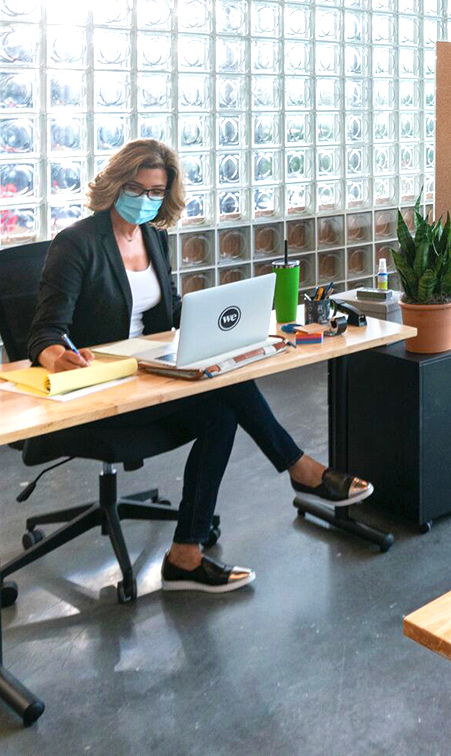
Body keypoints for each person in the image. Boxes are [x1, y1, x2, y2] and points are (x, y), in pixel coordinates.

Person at [28, 139, 372, 594]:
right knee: (227, 401)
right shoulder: (77, 244)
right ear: (115, 185)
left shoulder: (152, 236)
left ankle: (185, 553)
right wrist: (61, 359)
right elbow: (43, 335)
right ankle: (299, 468)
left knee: (223, 406)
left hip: (150, 374)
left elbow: (168, 314)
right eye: (138, 188)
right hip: (103, 388)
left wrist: (215, 327)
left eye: (156, 191)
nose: (147, 199)